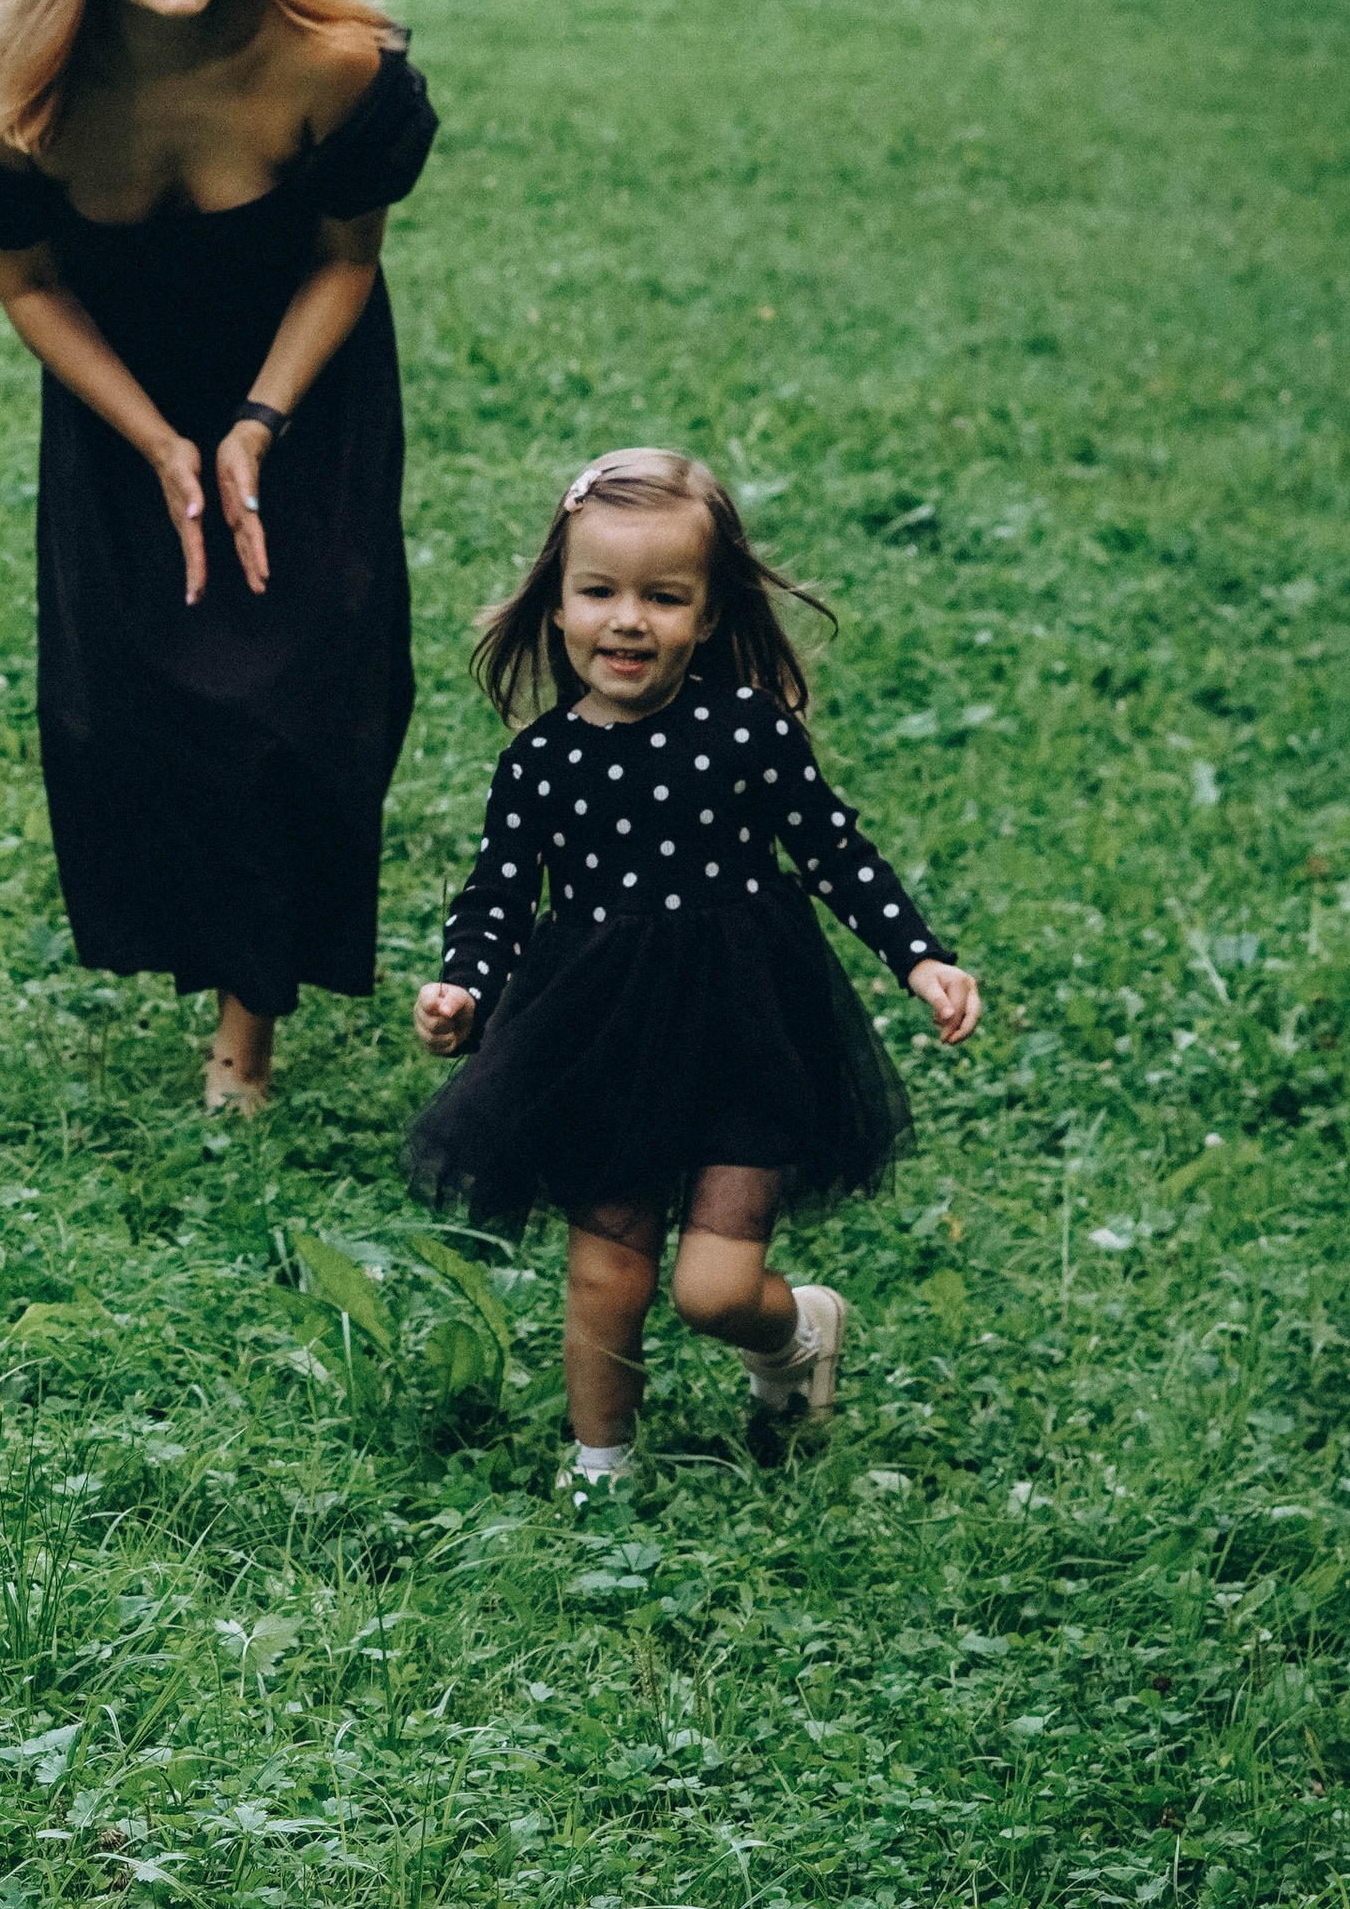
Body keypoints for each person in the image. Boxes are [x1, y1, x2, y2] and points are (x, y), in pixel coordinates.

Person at [0, 0, 437, 1111]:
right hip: (119, 399)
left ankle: (244, 1040)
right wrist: (157, 440)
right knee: (137, 708)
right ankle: (198, 946)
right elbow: (31, 284)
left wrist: (256, 427)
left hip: (302, 391)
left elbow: (345, 261)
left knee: (298, 706)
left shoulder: (333, 64)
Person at [409, 447, 979, 1489]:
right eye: (599, 592)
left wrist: (920, 958)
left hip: (744, 1026)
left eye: (663, 598)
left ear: (708, 615)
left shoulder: (748, 732)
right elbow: (497, 895)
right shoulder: (539, 763)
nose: (628, 621)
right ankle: (601, 1469)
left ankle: (795, 1334)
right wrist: (465, 985)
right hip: (601, 1035)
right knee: (606, 1275)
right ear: (557, 604)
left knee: (710, 1292)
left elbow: (833, 851)